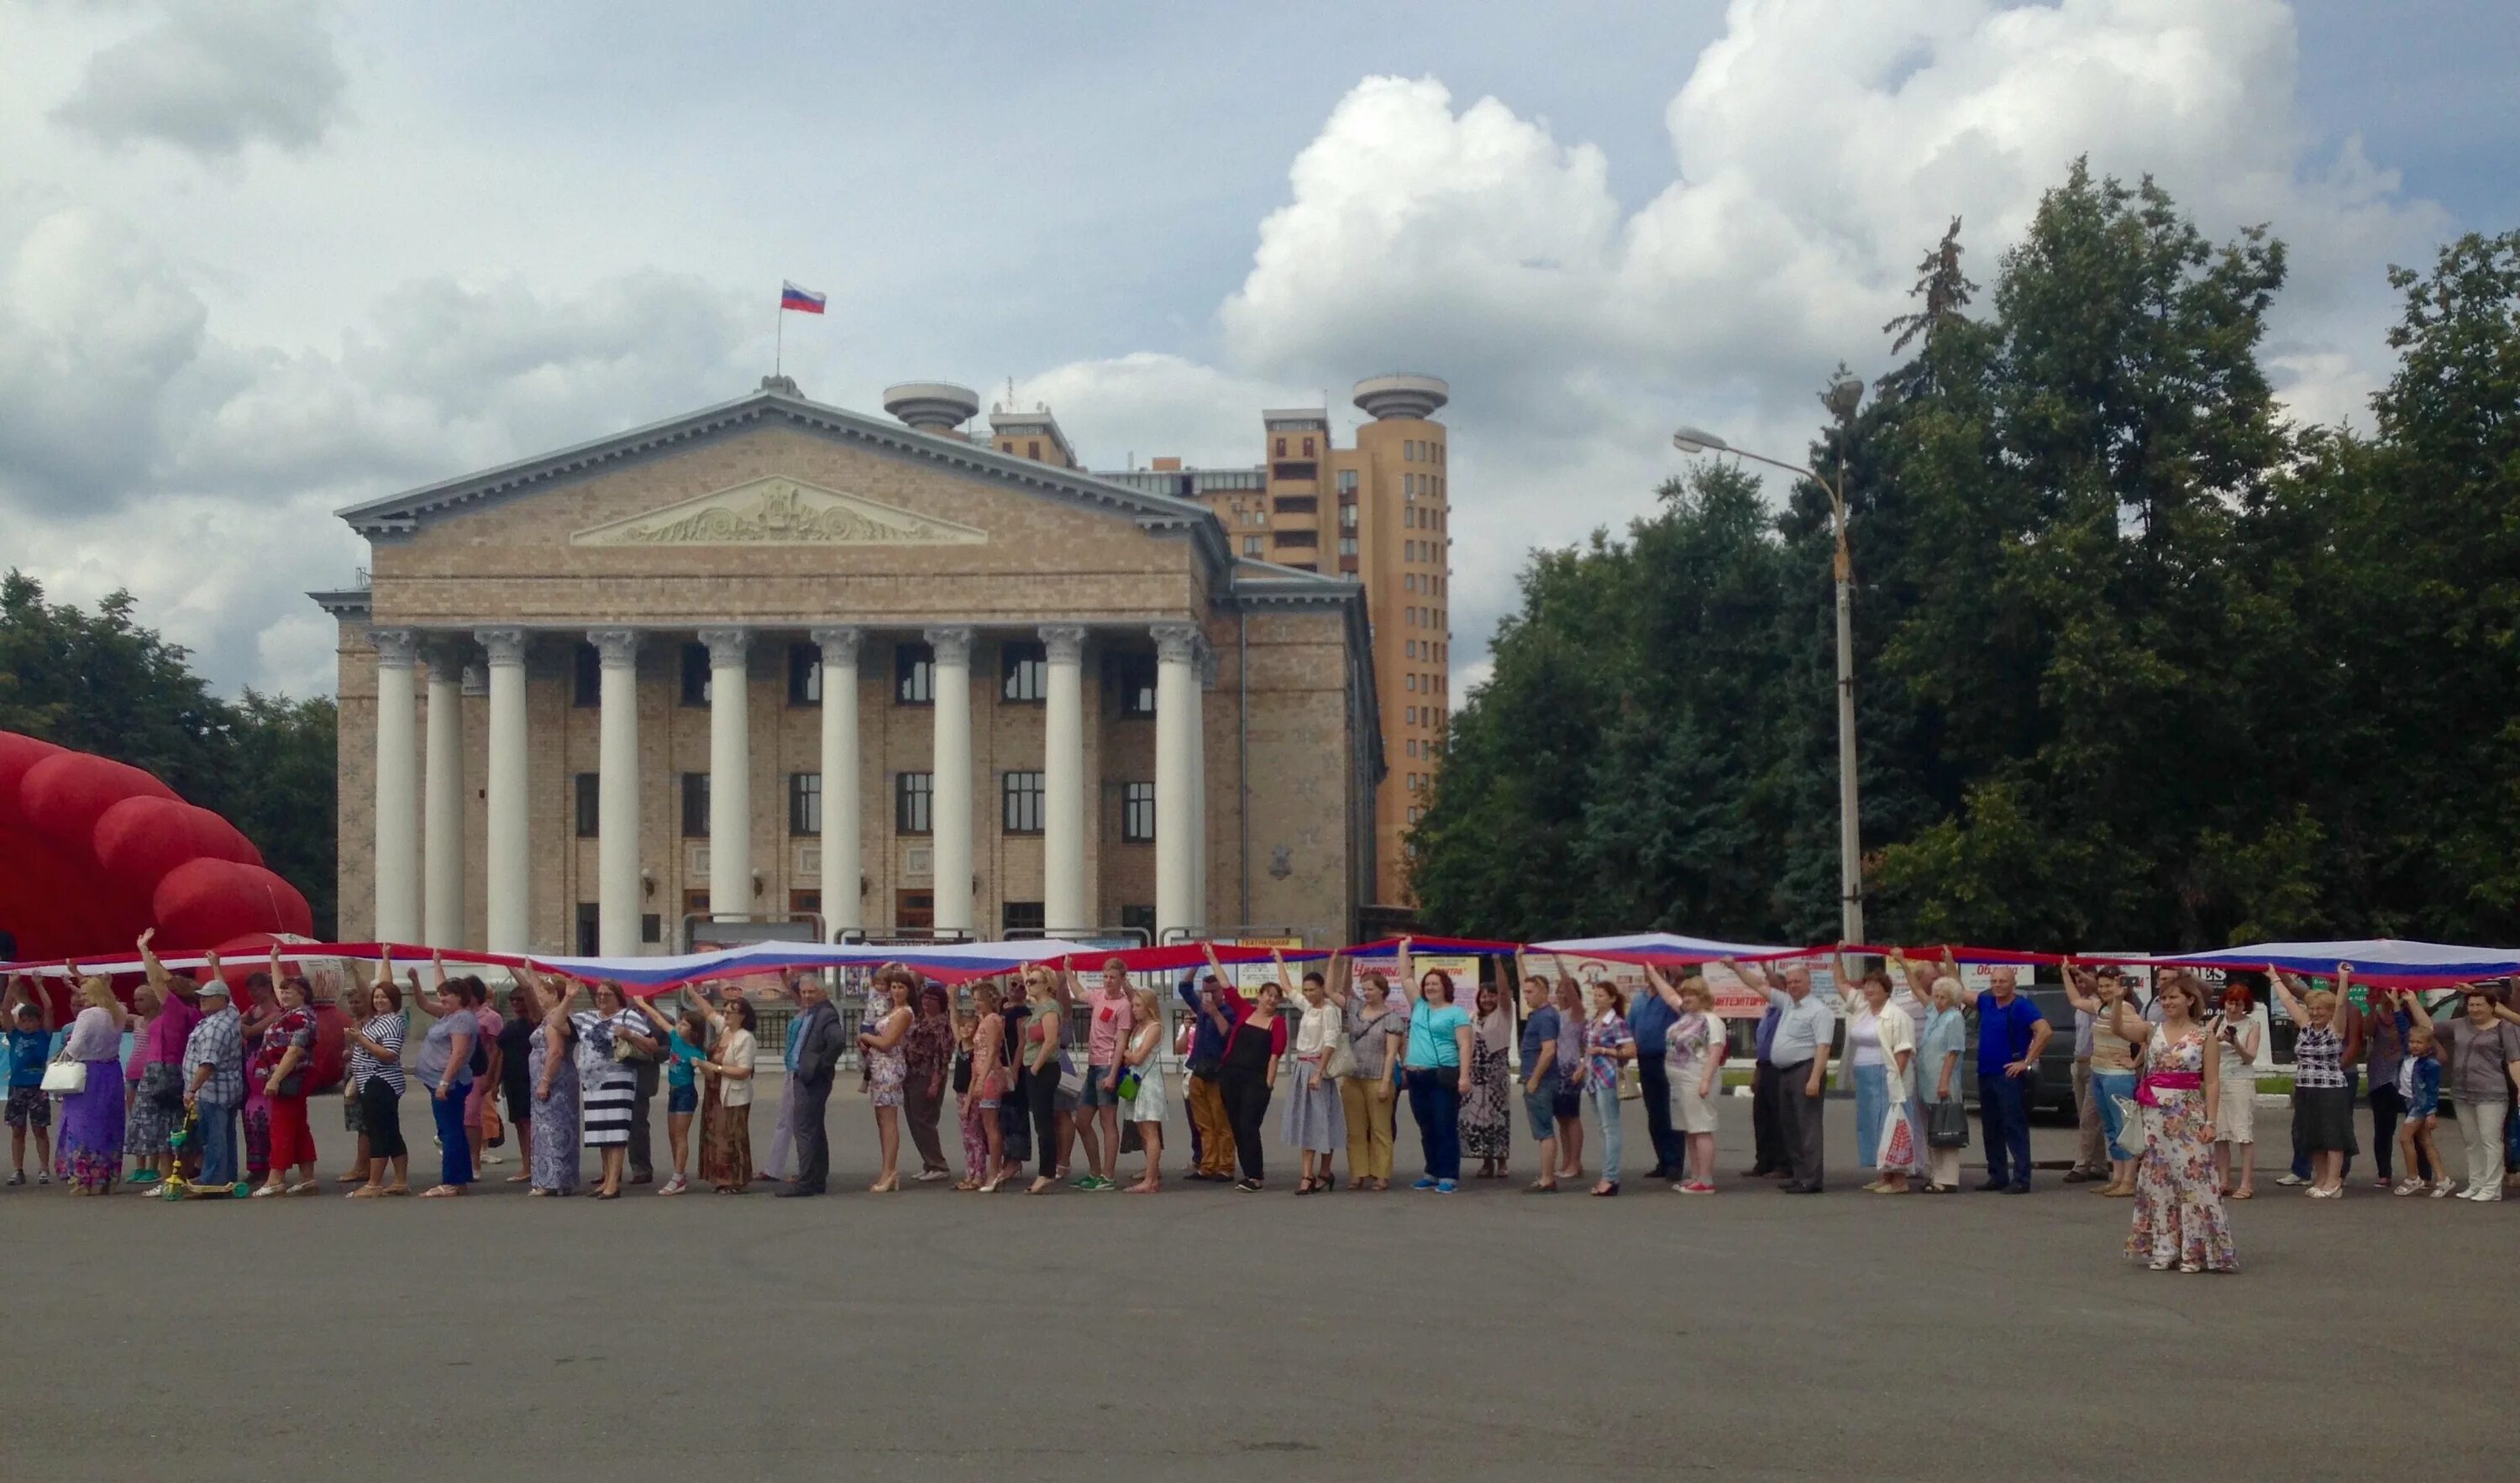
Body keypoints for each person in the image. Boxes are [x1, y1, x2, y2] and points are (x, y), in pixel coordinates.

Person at [2115, 970, 2237, 1273]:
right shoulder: (2151, 1030)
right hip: (2155, 1115)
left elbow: (2211, 1083)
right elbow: (2117, 1027)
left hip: (2188, 1114)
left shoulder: (2204, 1036)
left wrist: (2210, 1121)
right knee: (2158, 1181)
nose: (2167, 1002)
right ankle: (2164, 1247)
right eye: (2164, 998)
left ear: (2189, 1000)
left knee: (2194, 1181)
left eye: (2173, 997)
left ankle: (2195, 1251)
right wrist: (2117, 1001)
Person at [2402, 987, 2520, 1201]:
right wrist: (2412, 1001)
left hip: (2491, 1092)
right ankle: (2476, 1183)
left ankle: (2492, 1188)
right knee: (2471, 1140)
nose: (2474, 1009)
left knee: (2490, 1140)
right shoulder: (2460, 1024)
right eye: (2471, 1005)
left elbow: (2514, 1060)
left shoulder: (2505, 1028)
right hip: (2462, 1091)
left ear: (2492, 1007)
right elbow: (2428, 1027)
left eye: (2479, 1005)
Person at [1727, 958, 1833, 1194]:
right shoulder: (1787, 1003)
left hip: (1805, 1069)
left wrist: (1815, 1078)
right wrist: (1736, 967)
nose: (1793, 985)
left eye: (1798, 981)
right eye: (1791, 982)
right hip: (1784, 1073)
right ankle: (1798, 1173)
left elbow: (1823, 1047)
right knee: (1790, 1127)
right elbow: (1757, 985)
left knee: (1808, 1127)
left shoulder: (1819, 1011)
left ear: (1809, 983)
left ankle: (1812, 1178)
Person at [1201, 943, 1287, 1193]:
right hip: (1231, 1075)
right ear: (1259, 996)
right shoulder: (1245, 1011)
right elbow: (1226, 985)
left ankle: (1256, 1175)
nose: (1271, 999)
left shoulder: (1277, 1023)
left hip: (1256, 1079)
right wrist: (1211, 956)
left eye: (1276, 996)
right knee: (1237, 1125)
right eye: (1268, 994)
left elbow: (1275, 1055)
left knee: (1249, 1124)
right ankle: (1248, 1172)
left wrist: (1268, 1085)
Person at [2269, 966, 2355, 1198]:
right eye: (2312, 1009)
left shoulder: (2335, 1029)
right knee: (2312, 1136)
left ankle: (2334, 1181)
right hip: (2306, 1088)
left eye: (2320, 1010)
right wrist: (2275, 978)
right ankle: (2321, 1178)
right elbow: (2288, 1000)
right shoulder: (2305, 1028)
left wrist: (2343, 978)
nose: (2315, 1013)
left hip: (2331, 1089)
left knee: (2332, 1136)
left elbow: (2340, 1003)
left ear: (2328, 1012)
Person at [1395, 938, 1473, 1193]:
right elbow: (1405, 975)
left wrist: (1464, 1077)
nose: (1429, 988)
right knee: (1426, 1127)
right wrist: (1403, 947)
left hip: (1442, 1076)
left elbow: (1464, 1045)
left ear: (1445, 987)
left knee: (1444, 1125)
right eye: (1427, 984)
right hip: (1417, 1075)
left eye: (1434, 984)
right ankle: (1431, 1171)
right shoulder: (1418, 1006)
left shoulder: (1456, 1013)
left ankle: (1449, 1175)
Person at [2061, 966, 2142, 1198]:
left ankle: (2129, 1179)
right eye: (2103, 985)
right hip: (2098, 1072)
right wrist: (2066, 973)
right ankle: (2116, 1178)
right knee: (2109, 1128)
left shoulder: (2126, 1008)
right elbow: (2075, 1000)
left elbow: (2146, 1036)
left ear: (2120, 987)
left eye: (2110, 985)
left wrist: (2134, 1063)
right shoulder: (2100, 1006)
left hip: (2118, 1076)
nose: (2105, 989)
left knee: (2123, 1127)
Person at [130, 931, 202, 1187]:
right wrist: (153, 959)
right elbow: (164, 979)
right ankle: (180, 1174)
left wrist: (143, 951)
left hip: (161, 1070)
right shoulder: (194, 1012)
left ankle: (166, 1179)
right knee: (177, 1126)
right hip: (178, 1069)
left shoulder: (175, 1010)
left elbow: (157, 981)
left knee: (161, 1129)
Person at [1643, 966, 1723, 1193]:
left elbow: (1715, 1051)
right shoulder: (1688, 1017)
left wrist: (1705, 1081)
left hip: (1697, 1079)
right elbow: (1669, 995)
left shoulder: (1710, 1020)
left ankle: (1706, 1179)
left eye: (1692, 995)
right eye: (1685, 994)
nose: (1686, 998)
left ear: (1703, 997)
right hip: (1679, 1081)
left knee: (1701, 1127)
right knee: (1689, 1128)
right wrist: (1652, 973)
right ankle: (1695, 1174)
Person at [1971, 965, 2051, 1193]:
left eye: (2002, 981)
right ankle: (1997, 1175)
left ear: (2012, 983)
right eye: (1994, 981)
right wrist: (1947, 961)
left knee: (2014, 1127)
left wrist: (2026, 1061)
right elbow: (1958, 989)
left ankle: (2021, 1178)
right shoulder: (1986, 1003)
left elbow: (2045, 1031)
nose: (1997, 985)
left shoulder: (2021, 1006)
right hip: (1986, 1074)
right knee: (1991, 1127)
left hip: (2009, 1076)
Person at [54, 972, 130, 1194]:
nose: (81, 997)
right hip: (112, 1070)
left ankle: (81, 1178)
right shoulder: (120, 1011)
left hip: (87, 1072)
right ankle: (107, 1176)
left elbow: (75, 1047)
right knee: (109, 1122)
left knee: (81, 1124)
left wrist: (62, 1055)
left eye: (85, 993)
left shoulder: (88, 1015)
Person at [1829, 956, 1900, 1192]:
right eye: (1867, 985)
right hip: (1864, 1073)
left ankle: (1895, 1177)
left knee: (1885, 1124)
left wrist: (1895, 1078)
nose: (1869, 990)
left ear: (1886, 991)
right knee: (1869, 1125)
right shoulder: (1861, 1007)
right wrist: (1838, 956)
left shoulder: (1894, 1013)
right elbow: (1839, 982)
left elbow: (1904, 1049)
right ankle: (1882, 1174)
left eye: (1875, 986)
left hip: (1884, 1073)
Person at [627, 992, 709, 1195]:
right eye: (680, 1023)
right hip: (673, 1092)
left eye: (684, 1025)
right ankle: (678, 1173)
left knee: (680, 1136)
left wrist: (701, 1064)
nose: (679, 1026)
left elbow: (710, 1074)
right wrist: (642, 1003)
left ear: (694, 1032)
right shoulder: (675, 1038)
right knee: (673, 1135)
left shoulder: (696, 1052)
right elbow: (658, 1019)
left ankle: (678, 1177)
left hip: (686, 1093)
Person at [412, 965, 483, 1198]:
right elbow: (424, 1003)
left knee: (450, 1131)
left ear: (460, 998)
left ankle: (452, 1181)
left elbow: (459, 1053)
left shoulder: (462, 1020)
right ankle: (460, 1178)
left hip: (449, 1083)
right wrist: (416, 980)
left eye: (446, 996)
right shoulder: (449, 1014)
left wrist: (444, 1083)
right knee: (452, 1130)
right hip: (437, 1080)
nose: (441, 998)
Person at [1065, 957, 1136, 1192]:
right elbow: (1079, 993)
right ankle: (1094, 1171)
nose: (1108, 981)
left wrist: (1113, 1074)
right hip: (1093, 1065)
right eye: (1105, 976)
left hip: (1108, 1065)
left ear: (1121, 979)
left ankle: (1108, 1174)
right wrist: (1067, 971)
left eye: (1113, 977)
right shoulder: (1098, 996)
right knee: (1082, 1121)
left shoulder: (1124, 1006)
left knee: (1107, 1121)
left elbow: (1122, 1041)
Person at [250, 966, 320, 1197]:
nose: (285, 994)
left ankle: (275, 1178)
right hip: (287, 1076)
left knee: (281, 1127)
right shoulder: (288, 1013)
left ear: (303, 994)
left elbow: (294, 1050)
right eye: (283, 991)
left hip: (290, 1076)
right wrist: (274, 960)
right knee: (299, 1127)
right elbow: (280, 983)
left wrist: (275, 1079)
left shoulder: (301, 1017)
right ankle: (307, 1177)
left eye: (291, 991)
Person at [1333, 967, 1404, 1190]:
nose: (1366, 993)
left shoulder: (1392, 1018)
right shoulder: (1355, 1008)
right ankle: (1358, 1173)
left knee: (1380, 1129)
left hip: (1377, 1078)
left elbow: (1391, 1053)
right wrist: (1342, 960)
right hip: (1353, 1077)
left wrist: (1385, 1082)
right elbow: (1333, 990)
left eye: (1370, 989)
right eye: (1363, 989)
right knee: (1355, 1129)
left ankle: (1381, 1174)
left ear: (1383, 991)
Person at [1281, 960, 1347, 1194]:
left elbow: (1330, 1042)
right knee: (1306, 1122)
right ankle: (1306, 1174)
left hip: (1319, 1069)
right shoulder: (1308, 1008)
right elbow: (1288, 988)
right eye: (1306, 990)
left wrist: (1319, 1073)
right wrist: (1278, 957)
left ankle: (1325, 1171)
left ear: (1322, 989)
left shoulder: (1329, 1011)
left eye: (1313, 989)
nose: (1308, 994)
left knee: (1323, 1121)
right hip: (1302, 1068)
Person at [176, 973, 246, 1196]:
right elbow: (232, 998)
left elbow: (208, 1063)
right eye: (201, 996)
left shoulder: (215, 1027)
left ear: (222, 1000)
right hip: (228, 1090)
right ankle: (227, 1176)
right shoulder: (231, 1014)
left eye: (208, 997)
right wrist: (216, 967)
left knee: (212, 1138)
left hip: (211, 1092)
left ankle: (213, 1180)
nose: (202, 1000)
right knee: (225, 1135)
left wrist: (191, 1089)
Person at [780, 973, 847, 1197]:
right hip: (806, 1075)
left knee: (805, 1130)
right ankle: (816, 1177)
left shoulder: (825, 1013)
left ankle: (807, 1180)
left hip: (812, 1079)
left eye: (811, 992)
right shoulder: (813, 1011)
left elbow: (837, 1041)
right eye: (804, 992)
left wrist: (821, 1065)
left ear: (822, 992)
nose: (806, 996)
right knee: (814, 1129)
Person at [344, 972, 409, 1197]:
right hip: (371, 1080)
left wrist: (360, 1040)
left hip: (380, 1081)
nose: (379, 1000)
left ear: (394, 1001)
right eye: (377, 996)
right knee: (391, 1132)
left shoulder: (391, 1022)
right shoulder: (378, 1019)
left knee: (378, 1132)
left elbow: (389, 1054)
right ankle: (400, 1180)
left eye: (385, 997)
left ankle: (374, 1183)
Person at [691, 986, 756, 1194]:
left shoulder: (745, 1038)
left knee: (732, 1136)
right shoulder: (726, 1030)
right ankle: (720, 1177)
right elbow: (709, 1012)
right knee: (716, 1135)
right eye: (725, 1010)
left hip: (733, 1093)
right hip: (714, 1092)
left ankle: (736, 1179)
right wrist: (691, 992)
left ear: (742, 1016)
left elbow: (744, 1071)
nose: (726, 1014)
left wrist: (715, 1067)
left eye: (731, 1012)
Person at [2360, 983, 2423, 1192]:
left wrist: (2400, 1004)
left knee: (2416, 1128)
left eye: (2383, 992)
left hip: (2407, 1078)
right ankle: (2384, 1173)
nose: (2381, 996)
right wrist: (2371, 1008)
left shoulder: (2406, 1015)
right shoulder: (2375, 1017)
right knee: (2383, 1129)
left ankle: (2423, 1173)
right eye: (2375, 993)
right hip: (2381, 1077)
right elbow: (2366, 1033)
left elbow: (2418, 1034)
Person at [523, 969, 580, 1196]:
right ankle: (559, 1179)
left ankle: (551, 1180)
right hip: (552, 1079)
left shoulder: (557, 1020)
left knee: (552, 1129)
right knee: (552, 1127)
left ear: (554, 995)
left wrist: (545, 1081)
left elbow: (555, 1051)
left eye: (544, 993)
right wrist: (529, 972)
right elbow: (536, 989)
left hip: (555, 1080)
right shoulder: (551, 1016)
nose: (539, 996)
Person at [1626, 956, 1683, 1181]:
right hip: (1645, 1059)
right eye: (1648, 969)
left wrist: (1670, 970)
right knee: (1654, 1113)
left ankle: (1675, 1162)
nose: (1650, 973)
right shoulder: (1639, 999)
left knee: (1670, 1112)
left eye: (1656, 969)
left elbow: (1679, 976)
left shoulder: (1671, 997)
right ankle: (1662, 1159)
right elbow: (1630, 1028)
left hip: (1667, 1058)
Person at [1178, 969, 1236, 1182]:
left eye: (1212, 991)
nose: (1208, 995)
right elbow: (1184, 988)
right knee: (1203, 1123)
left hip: (1219, 1072)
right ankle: (1207, 1164)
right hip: (1198, 1069)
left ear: (1221, 991)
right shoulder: (1201, 1009)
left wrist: (1215, 1012)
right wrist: (1194, 965)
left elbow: (1228, 1034)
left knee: (1222, 1122)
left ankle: (1226, 1166)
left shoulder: (1229, 1011)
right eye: (1205, 991)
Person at [858, 967, 912, 1192]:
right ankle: (887, 1169)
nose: (896, 991)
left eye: (901, 987)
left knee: (889, 1120)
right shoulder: (890, 1009)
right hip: (878, 1066)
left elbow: (888, 1042)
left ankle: (889, 1170)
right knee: (882, 1119)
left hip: (890, 1066)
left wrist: (866, 1036)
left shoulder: (905, 1013)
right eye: (894, 987)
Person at [1580, 976, 1635, 1197]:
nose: (1596, 999)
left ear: (1612, 999)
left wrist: (1605, 1051)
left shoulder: (1617, 1023)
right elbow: (1587, 1048)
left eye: (1601, 995)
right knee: (1603, 1128)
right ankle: (1608, 1172)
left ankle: (1610, 1177)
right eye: (1595, 995)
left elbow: (1631, 1051)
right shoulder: (1593, 1020)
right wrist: (1582, 1066)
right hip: (1593, 1078)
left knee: (1610, 1127)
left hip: (1608, 1078)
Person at [1915, 976, 1968, 1192]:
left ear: (1953, 999)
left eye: (1943, 997)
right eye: (1936, 996)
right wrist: (1902, 964)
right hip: (1928, 1080)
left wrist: (1944, 1081)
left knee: (1947, 1128)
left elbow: (1953, 1052)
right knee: (1935, 1129)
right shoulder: (1934, 1014)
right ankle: (1936, 1175)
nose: (1938, 1001)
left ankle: (1948, 1179)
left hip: (1943, 1080)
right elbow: (1918, 989)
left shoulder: (1954, 1018)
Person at [2060, 963, 2111, 1184]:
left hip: (2096, 1064)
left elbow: (2096, 987)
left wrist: (2078, 972)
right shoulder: (2080, 1006)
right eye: (2078, 981)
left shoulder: (2102, 1003)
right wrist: (2066, 974)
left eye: (2084, 980)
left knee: (2089, 1118)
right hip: (2079, 1063)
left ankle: (2081, 1165)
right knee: (2088, 1117)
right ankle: (2099, 1165)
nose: (2081, 984)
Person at [2390, 1004, 2448, 1197]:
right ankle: (2442, 1178)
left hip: (2420, 1106)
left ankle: (2413, 1177)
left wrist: (2431, 1112)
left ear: (2429, 1045)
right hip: (2409, 1102)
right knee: (2425, 1141)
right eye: (2412, 1042)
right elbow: (2403, 1028)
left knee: (2405, 1139)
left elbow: (2432, 1090)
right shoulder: (2408, 1057)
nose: (2414, 1045)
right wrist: (2397, 1007)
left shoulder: (2430, 1064)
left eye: (2419, 1043)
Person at [3, 976, 57, 1184]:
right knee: (17, 1130)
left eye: (31, 1021)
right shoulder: (14, 1035)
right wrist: (11, 985)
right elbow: (6, 1009)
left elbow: (50, 1008)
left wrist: (39, 985)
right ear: (18, 1022)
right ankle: (18, 1170)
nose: (27, 1025)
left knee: (40, 1129)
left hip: (38, 1088)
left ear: (38, 1021)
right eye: (23, 1020)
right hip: (17, 1087)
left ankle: (44, 1169)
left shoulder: (44, 1036)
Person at [1515, 957, 1562, 1193]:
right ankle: (1546, 1175)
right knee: (1542, 1130)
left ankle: (1547, 1178)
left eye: (1530, 992)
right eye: (1525, 992)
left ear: (1543, 992)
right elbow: (1525, 980)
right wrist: (1518, 958)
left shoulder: (1545, 1017)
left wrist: (1533, 1078)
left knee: (1544, 1131)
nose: (1526, 996)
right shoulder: (1541, 1013)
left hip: (1541, 1081)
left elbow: (1549, 1049)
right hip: (1539, 1079)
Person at [901, 982, 956, 1182]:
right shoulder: (921, 1019)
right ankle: (928, 1162)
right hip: (911, 1074)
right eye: (925, 998)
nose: (926, 1002)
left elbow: (942, 1057)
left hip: (928, 1076)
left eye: (932, 1000)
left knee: (925, 1121)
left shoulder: (942, 1025)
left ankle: (938, 1164)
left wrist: (935, 1083)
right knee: (913, 1119)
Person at [2212, 983, 2263, 1199]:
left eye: (2238, 1004)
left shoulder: (2252, 1024)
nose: (2233, 1008)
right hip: (2218, 1080)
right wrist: (2216, 1039)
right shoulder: (2216, 1022)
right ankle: (2223, 1180)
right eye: (2230, 1003)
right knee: (2220, 1133)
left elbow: (2250, 1057)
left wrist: (2234, 1042)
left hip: (2240, 1080)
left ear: (2245, 1005)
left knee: (2243, 1133)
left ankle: (2246, 1183)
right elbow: (2204, 1046)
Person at [955, 982, 1007, 1192]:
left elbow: (993, 1050)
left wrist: (982, 1078)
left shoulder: (993, 1020)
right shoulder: (984, 1020)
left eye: (980, 1000)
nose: (976, 1003)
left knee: (991, 1127)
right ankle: (989, 1172)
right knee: (985, 1126)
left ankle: (994, 1173)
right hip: (980, 1073)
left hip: (990, 1076)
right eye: (974, 999)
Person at [1461, 977, 1513, 1179]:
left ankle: (1501, 1160)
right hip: (1476, 1072)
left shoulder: (1504, 1014)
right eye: (1484, 995)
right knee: (1479, 1118)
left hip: (1496, 1073)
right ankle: (1486, 1160)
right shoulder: (1472, 1018)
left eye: (1491, 995)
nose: (1488, 999)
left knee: (1498, 1116)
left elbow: (1505, 993)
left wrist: (1498, 962)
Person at [1121, 985, 1168, 1192]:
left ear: (1149, 1007)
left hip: (1149, 1082)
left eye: (1138, 1005)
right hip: (1136, 1079)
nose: (1134, 1009)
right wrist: (1130, 1055)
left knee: (1150, 1131)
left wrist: (1129, 1054)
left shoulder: (1154, 1027)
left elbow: (1138, 1056)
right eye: (1133, 1005)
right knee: (1141, 1129)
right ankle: (1151, 1171)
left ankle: (1151, 1180)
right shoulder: (1138, 1028)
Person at [1741, 973, 1787, 1179]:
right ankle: (1764, 1161)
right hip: (1764, 1066)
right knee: (1762, 1117)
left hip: (1780, 1068)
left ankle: (1783, 1163)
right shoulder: (1768, 1012)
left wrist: (1765, 965)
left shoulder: (1787, 1009)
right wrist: (1757, 1072)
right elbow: (1763, 1047)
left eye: (1771, 987)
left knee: (1780, 1118)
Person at [333, 976, 375, 1187]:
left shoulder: (371, 1019)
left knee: (364, 1125)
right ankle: (363, 1165)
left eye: (357, 1001)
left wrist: (356, 970)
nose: (353, 1005)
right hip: (353, 1074)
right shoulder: (354, 1022)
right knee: (359, 1125)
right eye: (351, 1002)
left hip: (365, 1075)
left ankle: (362, 1166)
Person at [496, 983, 538, 1184]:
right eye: (512, 1000)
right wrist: (494, 1081)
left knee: (529, 1123)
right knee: (520, 1123)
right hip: (511, 1078)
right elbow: (500, 1054)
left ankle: (532, 1165)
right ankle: (526, 1164)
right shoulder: (511, 1025)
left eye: (519, 1000)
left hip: (529, 1078)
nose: (514, 1003)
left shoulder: (535, 1023)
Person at [1551, 976, 1588, 1183]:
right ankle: (1568, 1161)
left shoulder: (1577, 1014)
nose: (1562, 994)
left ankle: (1575, 1162)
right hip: (1556, 1069)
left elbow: (1574, 998)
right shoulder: (1556, 1015)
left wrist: (1560, 966)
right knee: (1562, 1119)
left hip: (1570, 1069)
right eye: (1559, 990)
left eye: (1567, 990)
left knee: (1572, 1116)